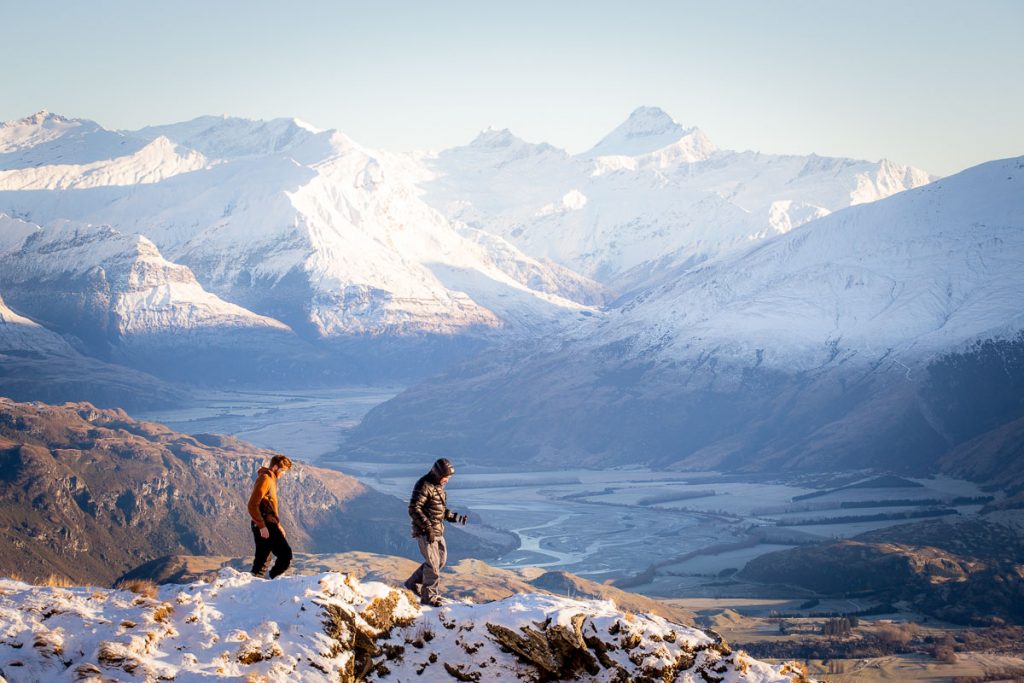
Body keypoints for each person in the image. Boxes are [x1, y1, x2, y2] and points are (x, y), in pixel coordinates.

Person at [403, 458, 467, 606]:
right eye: (446, 477)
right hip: (426, 532)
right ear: (438, 473)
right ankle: (429, 598)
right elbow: (414, 508)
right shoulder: (424, 485)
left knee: (440, 562)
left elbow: (440, 510)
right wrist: (427, 528)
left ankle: (412, 583)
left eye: (448, 478)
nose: (447, 480)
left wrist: (456, 517)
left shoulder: (438, 486)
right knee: (433, 565)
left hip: (437, 531)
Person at [247, 454, 294, 579]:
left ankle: (253, 584)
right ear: (274, 467)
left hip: (268, 523)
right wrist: (262, 526)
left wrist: (278, 525)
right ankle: (273, 580)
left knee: (263, 559)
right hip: (265, 523)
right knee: (285, 554)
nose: (283, 474)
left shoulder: (271, 480)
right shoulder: (265, 479)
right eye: (282, 470)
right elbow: (252, 505)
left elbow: (270, 507)